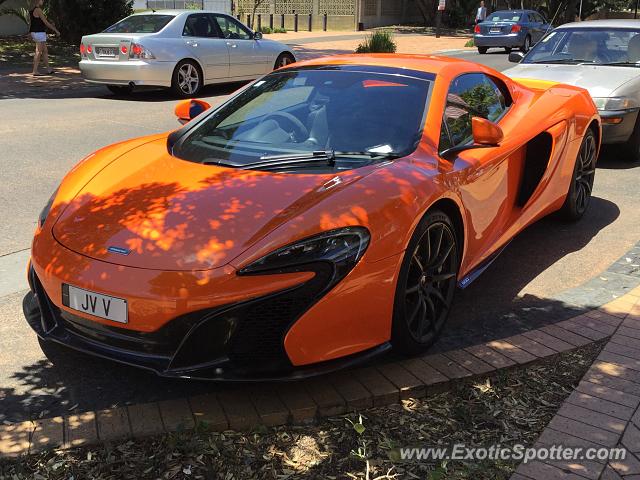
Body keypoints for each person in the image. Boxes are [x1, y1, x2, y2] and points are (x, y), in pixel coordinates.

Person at [29, 0, 60, 76]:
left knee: (45, 51)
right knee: (39, 52)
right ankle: (35, 71)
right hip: (39, 33)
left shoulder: (32, 10)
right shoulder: (38, 10)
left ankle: (48, 69)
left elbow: (31, 22)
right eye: (41, 0)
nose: (43, 1)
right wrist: (55, 30)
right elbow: (45, 22)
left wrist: (30, 32)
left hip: (37, 32)